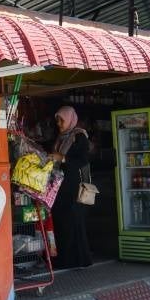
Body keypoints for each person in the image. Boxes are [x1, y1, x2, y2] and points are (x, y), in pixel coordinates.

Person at [49, 106, 92, 269]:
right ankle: (64, 259)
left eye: (61, 120)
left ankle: (80, 260)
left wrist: (63, 158)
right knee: (62, 223)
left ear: (69, 119)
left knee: (74, 224)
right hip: (60, 187)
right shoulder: (61, 137)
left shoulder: (79, 136)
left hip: (74, 187)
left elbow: (83, 160)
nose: (59, 123)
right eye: (57, 120)